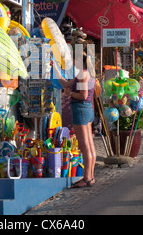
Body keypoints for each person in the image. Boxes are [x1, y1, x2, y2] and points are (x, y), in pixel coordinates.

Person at [51, 51, 96, 188]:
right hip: (87, 109)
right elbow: (66, 84)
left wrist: (69, 93)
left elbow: (83, 95)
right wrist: (55, 69)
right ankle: (91, 176)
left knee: (84, 146)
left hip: (81, 109)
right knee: (89, 144)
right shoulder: (87, 73)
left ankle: (87, 177)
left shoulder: (82, 75)